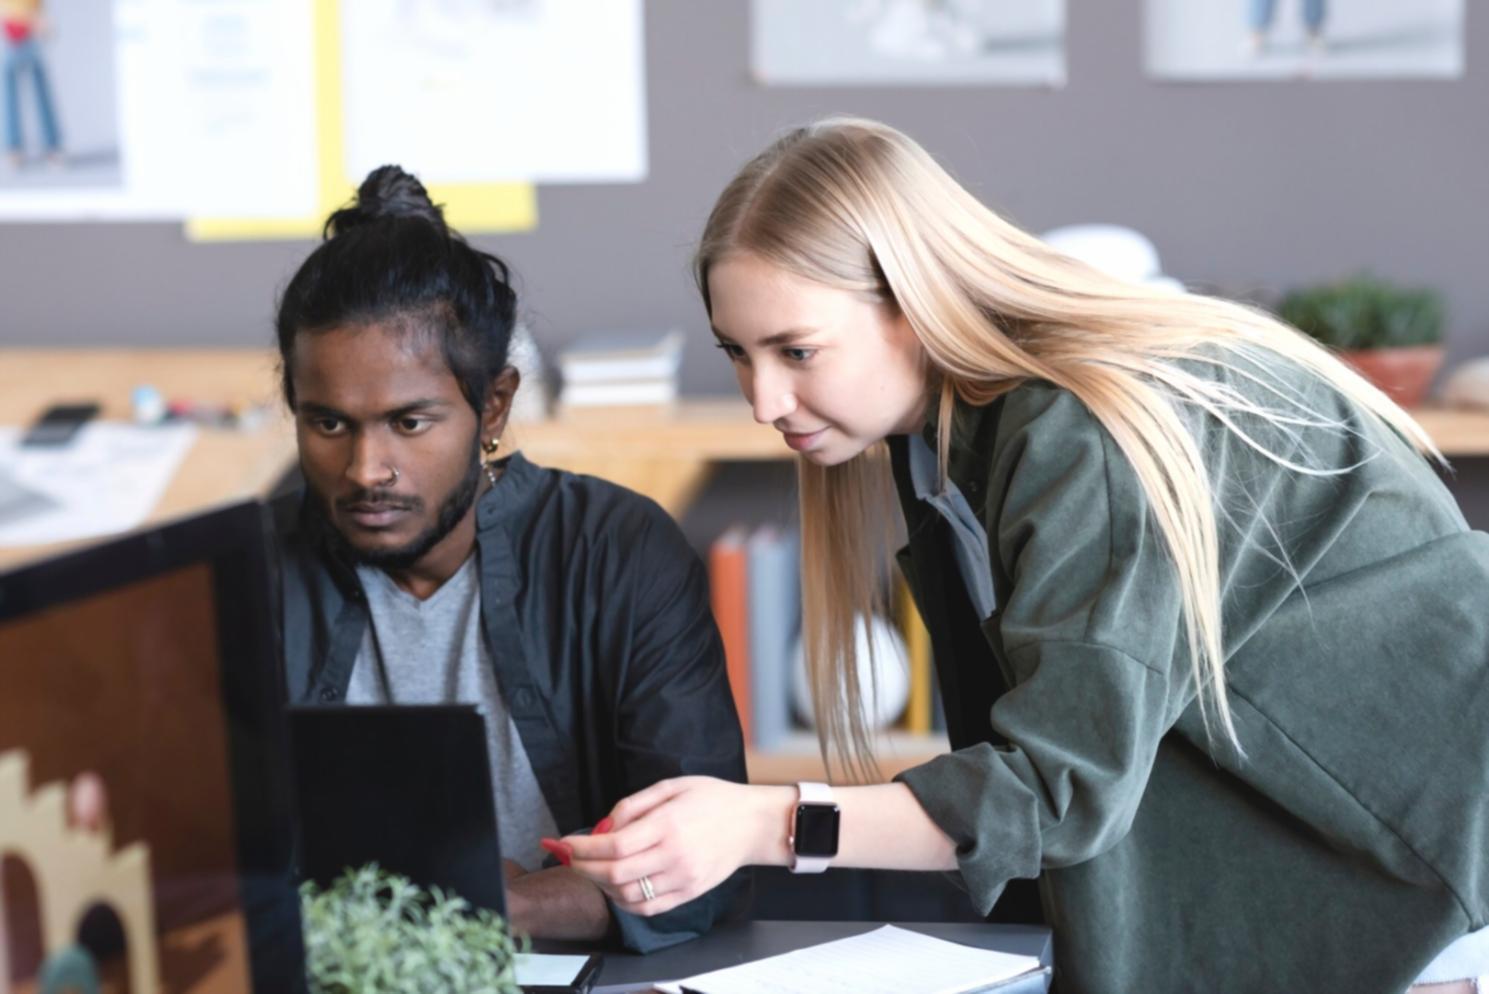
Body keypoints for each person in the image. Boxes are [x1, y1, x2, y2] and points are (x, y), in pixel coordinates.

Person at [557, 118, 1489, 993]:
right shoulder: (950, 442)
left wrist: (765, 820)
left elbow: (1056, 789)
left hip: (1416, 857)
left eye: (796, 351)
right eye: (737, 354)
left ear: (912, 304)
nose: (761, 401)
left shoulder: (1083, 429)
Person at [268, 165, 746, 951]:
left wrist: (504, 908)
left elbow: (704, 862)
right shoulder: (248, 573)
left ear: (492, 405)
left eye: (409, 424)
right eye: (327, 425)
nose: (364, 469)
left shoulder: (619, 552)